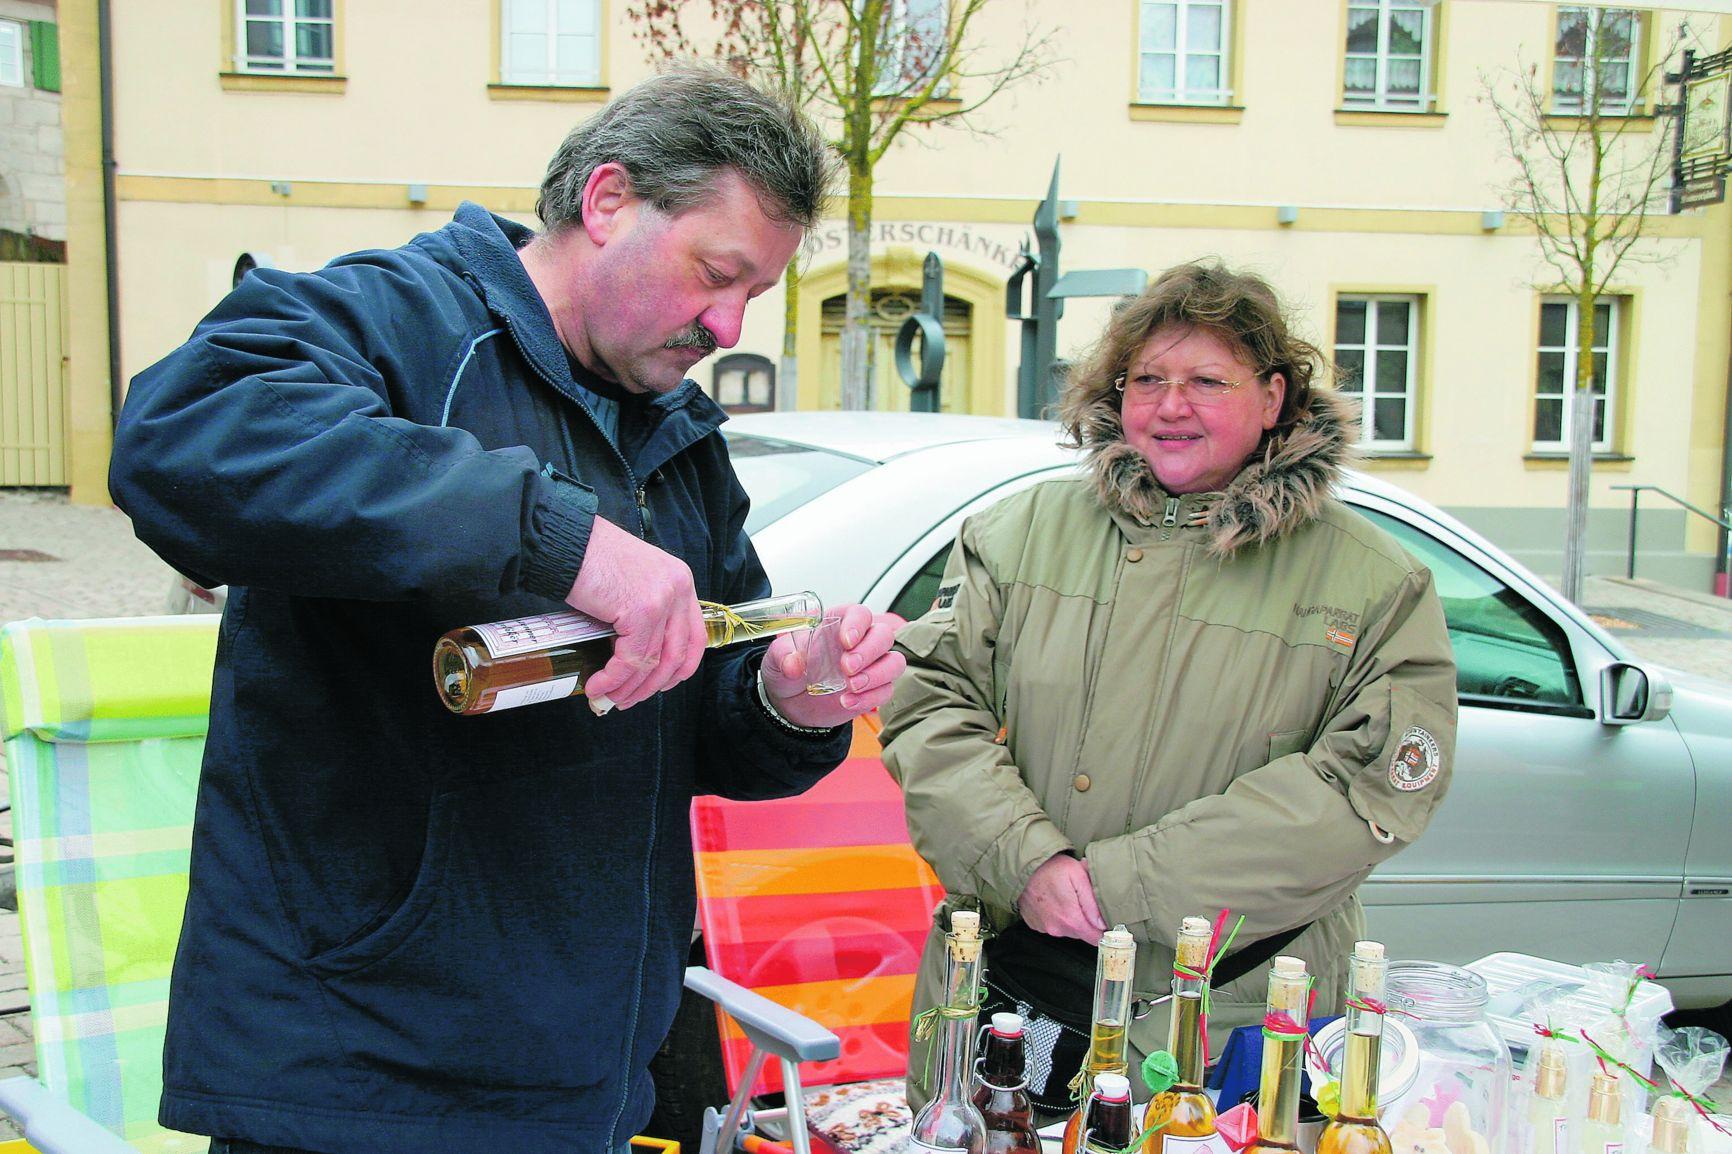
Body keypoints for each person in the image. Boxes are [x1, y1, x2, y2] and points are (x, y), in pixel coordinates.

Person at [109, 67, 905, 1154]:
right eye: (716, 274)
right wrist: (562, 540)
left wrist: (787, 695)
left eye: (753, 296)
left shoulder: (679, 436)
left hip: (583, 1082)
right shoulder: (394, 318)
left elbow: (694, 704)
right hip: (358, 1084)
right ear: (608, 200)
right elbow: (183, 436)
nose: (727, 322)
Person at [880, 261, 1457, 1112]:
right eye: (1147, 378)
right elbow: (931, 703)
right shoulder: (1017, 533)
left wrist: (1120, 884)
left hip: (1232, 1017)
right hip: (1017, 991)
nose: (1169, 405)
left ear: (1274, 398)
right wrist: (1027, 860)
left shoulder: (1375, 582)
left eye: (1205, 381)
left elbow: (1361, 791)